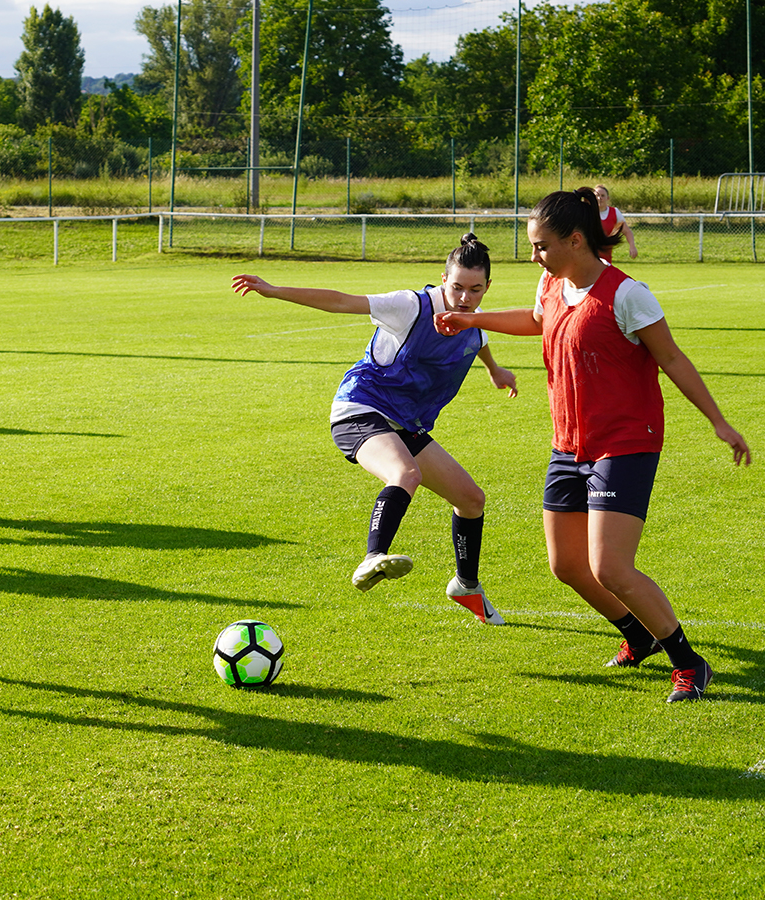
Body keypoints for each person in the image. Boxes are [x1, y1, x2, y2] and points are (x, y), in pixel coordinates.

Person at [435, 188, 751, 702]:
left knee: (610, 568)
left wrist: (718, 421)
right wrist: (473, 320)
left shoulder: (627, 295)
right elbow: (537, 321)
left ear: (576, 241)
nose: (534, 256)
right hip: (568, 446)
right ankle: (638, 637)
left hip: (624, 443)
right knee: (567, 565)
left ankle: (689, 663)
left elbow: (672, 359)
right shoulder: (552, 285)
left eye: (541, 246)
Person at [232, 233, 518, 625]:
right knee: (405, 473)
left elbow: (478, 339)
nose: (464, 298)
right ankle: (373, 557)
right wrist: (274, 290)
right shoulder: (410, 306)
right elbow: (342, 301)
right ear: (443, 279)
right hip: (360, 408)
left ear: (488, 286)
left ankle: (466, 586)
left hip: (404, 422)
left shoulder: (474, 322)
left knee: (471, 499)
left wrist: (495, 370)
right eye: (456, 287)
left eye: (475, 289)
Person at [594, 184, 637, 262]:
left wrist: (632, 246)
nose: (599, 198)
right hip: (589, 255)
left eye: (602, 196)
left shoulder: (614, 212)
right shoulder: (588, 212)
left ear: (608, 198)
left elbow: (627, 231)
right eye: (597, 195)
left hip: (606, 256)